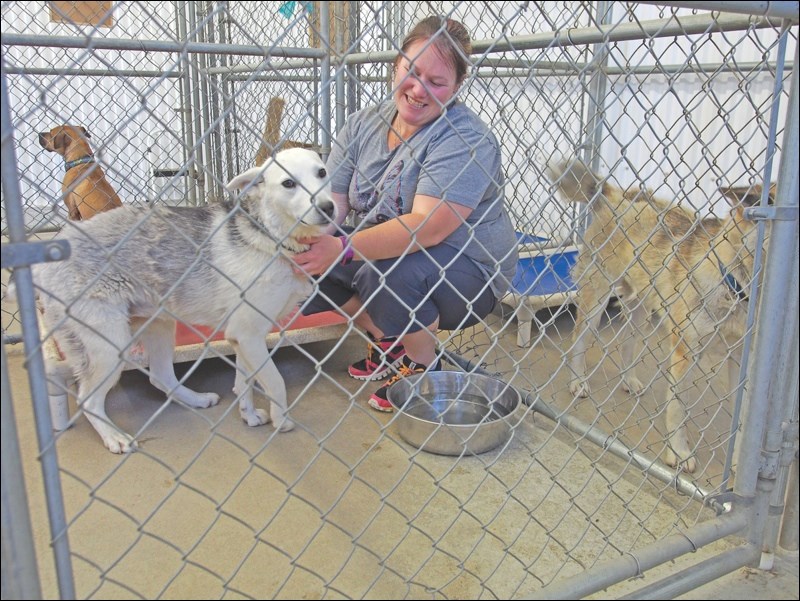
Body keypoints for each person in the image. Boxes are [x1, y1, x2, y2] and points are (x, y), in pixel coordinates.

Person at [293, 15, 518, 412]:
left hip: (468, 269)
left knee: (385, 270)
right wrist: (310, 238)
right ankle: (392, 341)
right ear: (395, 66)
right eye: (411, 73)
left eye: (437, 82)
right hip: (394, 252)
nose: (418, 90)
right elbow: (337, 202)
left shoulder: (466, 137)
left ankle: (424, 365)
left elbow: (426, 229)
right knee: (297, 261)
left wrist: (342, 249)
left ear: (458, 87)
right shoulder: (364, 123)